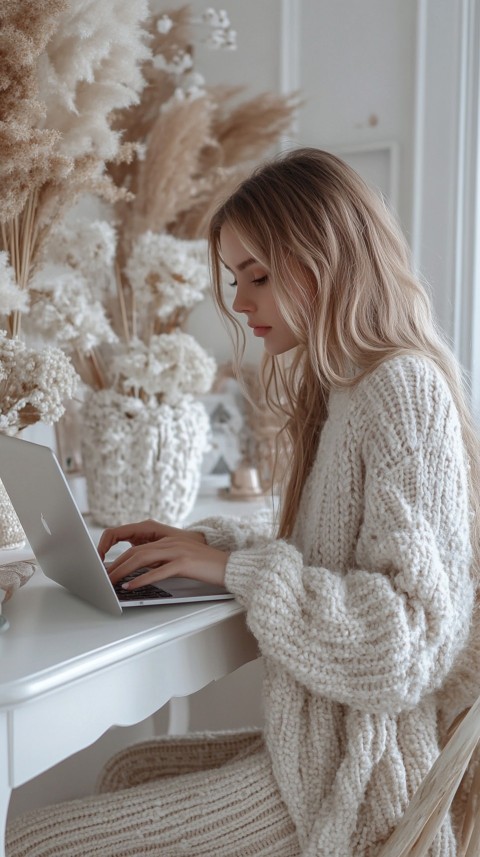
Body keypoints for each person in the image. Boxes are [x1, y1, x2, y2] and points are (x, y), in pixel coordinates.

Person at [7, 148, 480, 857]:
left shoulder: (401, 390)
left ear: (328, 264)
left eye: (256, 276)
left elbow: (406, 640)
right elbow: (330, 562)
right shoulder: (343, 391)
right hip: (319, 747)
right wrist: (207, 546)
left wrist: (235, 571)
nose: (239, 302)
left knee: (36, 842)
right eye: (235, 279)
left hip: (360, 779)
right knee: (125, 767)